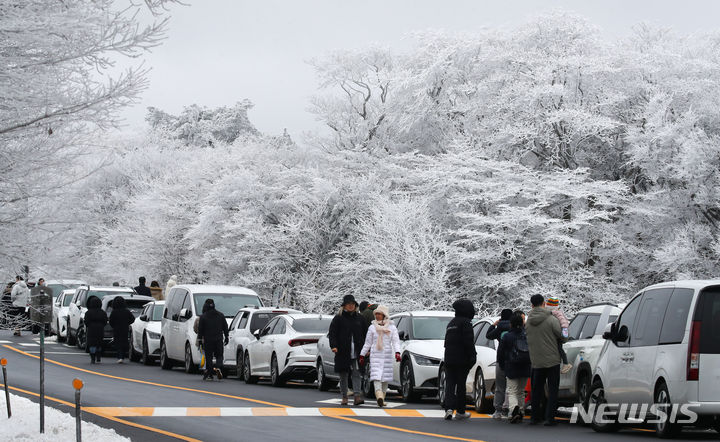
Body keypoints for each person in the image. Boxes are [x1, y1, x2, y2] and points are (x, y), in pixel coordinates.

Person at [525, 294, 566, 426]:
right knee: (553, 389)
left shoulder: (528, 321)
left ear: (531, 305)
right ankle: (550, 418)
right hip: (552, 359)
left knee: (537, 389)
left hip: (536, 360)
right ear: (543, 304)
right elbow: (562, 336)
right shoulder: (551, 319)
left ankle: (535, 417)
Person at [328, 294, 367, 406]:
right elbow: (332, 333)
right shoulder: (338, 318)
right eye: (348, 304)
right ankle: (344, 396)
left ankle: (357, 396)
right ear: (344, 306)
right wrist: (333, 346)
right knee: (343, 374)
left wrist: (367, 348)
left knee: (356, 372)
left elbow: (366, 334)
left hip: (357, 350)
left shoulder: (360, 318)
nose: (351, 306)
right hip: (342, 350)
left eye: (353, 304)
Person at [359, 305, 400, 407]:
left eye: (379, 314)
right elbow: (368, 343)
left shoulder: (392, 327)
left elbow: (395, 342)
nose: (377, 316)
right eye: (376, 314)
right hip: (375, 355)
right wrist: (362, 354)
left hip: (386, 355)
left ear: (384, 315)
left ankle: (383, 397)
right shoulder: (372, 327)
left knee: (385, 377)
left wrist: (397, 352)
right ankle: (379, 396)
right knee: (376, 376)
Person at [443, 299, 477, 421]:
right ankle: (460, 411)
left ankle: (448, 409)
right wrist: (473, 356)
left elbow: (446, 343)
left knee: (450, 384)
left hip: (449, 358)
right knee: (461, 385)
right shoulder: (466, 323)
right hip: (462, 359)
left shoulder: (451, 323)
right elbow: (469, 342)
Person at [497, 312, 532, 423]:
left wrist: (502, 365)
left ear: (511, 324)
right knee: (521, 391)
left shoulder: (507, 336)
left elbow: (501, 353)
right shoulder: (527, 335)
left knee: (512, 390)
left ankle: (513, 410)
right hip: (526, 365)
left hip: (511, 366)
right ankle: (521, 411)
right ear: (522, 324)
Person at [486, 308, 513, 420]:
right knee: (511, 386)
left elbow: (488, 335)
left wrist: (494, 325)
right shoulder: (515, 327)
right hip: (513, 359)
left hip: (501, 358)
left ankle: (497, 410)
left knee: (500, 386)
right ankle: (507, 409)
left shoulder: (500, 328)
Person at [197, 299, 229, 381]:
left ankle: (210, 374)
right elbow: (225, 327)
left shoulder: (203, 317)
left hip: (208, 340)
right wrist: (226, 337)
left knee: (209, 357)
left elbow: (200, 330)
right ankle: (218, 367)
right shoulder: (221, 315)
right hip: (218, 339)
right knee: (219, 355)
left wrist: (200, 340)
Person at [546, 296, 572, 374]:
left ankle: (566, 363)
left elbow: (564, 322)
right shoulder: (552, 313)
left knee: (559, 349)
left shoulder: (557, 313)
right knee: (559, 349)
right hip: (556, 334)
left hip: (558, 335)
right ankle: (565, 363)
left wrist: (564, 331)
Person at [108, 296, 135, 363]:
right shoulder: (126, 311)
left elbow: (111, 321)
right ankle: (122, 356)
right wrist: (127, 323)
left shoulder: (114, 312)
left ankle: (119, 356)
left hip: (117, 329)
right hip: (125, 329)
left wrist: (113, 326)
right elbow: (132, 319)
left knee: (118, 343)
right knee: (124, 342)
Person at [84, 296, 108, 364]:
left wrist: (89, 325)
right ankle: (98, 356)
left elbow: (86, 321)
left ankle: (93, 358)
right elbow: (105, 321)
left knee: (92, 344)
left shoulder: (88, 312)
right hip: (100, 329)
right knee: (99, 343)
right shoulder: (102, 312)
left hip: (91, 329)